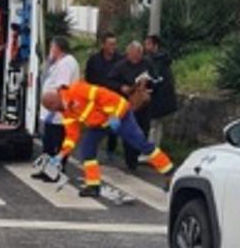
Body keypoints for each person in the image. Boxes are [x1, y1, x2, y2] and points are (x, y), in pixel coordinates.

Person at [40, 81, 175, 197]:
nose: (54, 112)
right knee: (87, 148)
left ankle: (170, 173)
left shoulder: (77, 90)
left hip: (120, 115)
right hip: (100, 124)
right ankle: (93, 186)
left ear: (53, 102)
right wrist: (61, 154)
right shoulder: (66, 112)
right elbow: (71, 135)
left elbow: (104, 95)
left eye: (51, 108)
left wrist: (114, 115)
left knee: (140, 144)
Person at [106, 41, 154, 171]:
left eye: (139, 55)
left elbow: (155, 79)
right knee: (129, 131)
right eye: (133, 55)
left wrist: (148, 86)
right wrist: (121, 87)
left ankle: (137, 154)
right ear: (128, 54)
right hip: (126, 104)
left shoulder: (147, 64)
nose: (136, 58)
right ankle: (130, 160)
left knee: (143, 130)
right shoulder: (120, 66)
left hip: (143, 104)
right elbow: (109, 81)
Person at [40, 36, 80, 158]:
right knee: (48, 145)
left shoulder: (66, 63)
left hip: (57, 115)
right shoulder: (59, 63)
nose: (50, 50)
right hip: (52, 114)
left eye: (51, 47)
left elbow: (62, 88)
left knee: (55, 145)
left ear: (57, 48)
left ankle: (55, 173)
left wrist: (54, 110)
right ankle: (46, 170)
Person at [85, 32, 120, 159]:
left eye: (115, 44)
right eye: (110, 44)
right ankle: (92, 152)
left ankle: (110, 151)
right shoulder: (94, 60)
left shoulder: (120, 60)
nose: (113, 47)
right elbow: (88, 79)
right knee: (95, 126)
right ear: (103, 45)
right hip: (97, 99)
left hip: (113, 99)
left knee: (113, 127)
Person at [143, 34, 178, 145]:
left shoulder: (156, 61)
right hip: (162, 97)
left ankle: (150, 151)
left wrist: (148, 87)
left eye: (148, 44)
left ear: (155, 45)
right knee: (157, 124)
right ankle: (154, 150)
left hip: (158, 97)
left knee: (152, 125)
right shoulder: (162, 59)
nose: (145, 47)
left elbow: (155, 79)